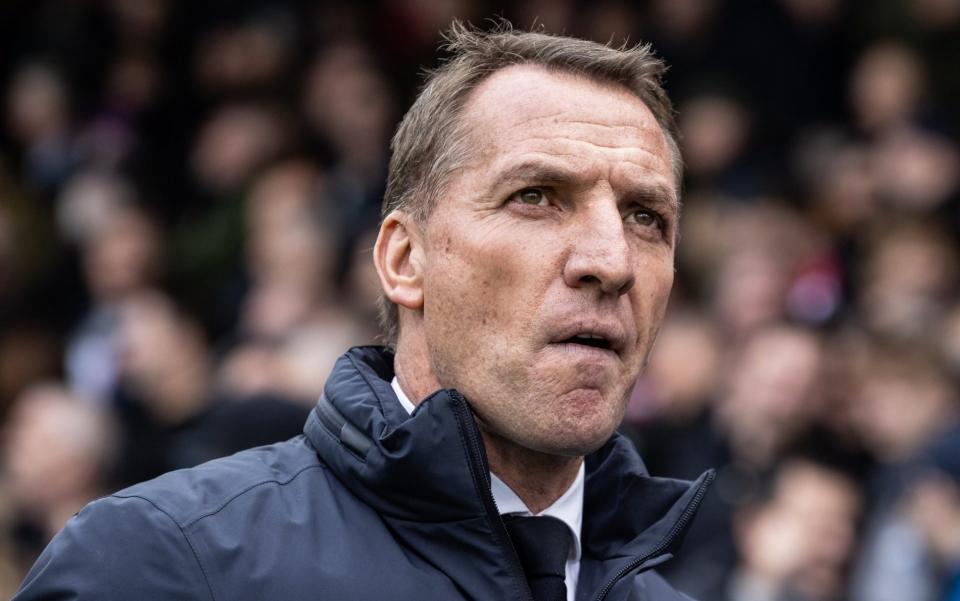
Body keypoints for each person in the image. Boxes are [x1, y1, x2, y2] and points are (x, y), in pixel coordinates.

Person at [13, 21, 713, 601]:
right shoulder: (158, 565)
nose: (613, 260)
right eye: (536, 196)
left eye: (646, 216)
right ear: (404, 261)